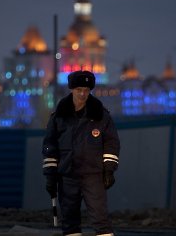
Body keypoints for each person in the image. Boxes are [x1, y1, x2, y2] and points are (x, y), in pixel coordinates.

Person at [42, 70, 121, 236]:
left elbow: (111, 143)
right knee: (70, 222)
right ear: (72, 89)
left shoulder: (101, 115)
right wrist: (50, 176)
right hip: (67, 176)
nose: (83, 93)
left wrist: (109, 169)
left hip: (93, 175)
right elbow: (50, 146)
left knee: (101, 219)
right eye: (79, 90)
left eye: (86, 90)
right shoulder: (59, 116)